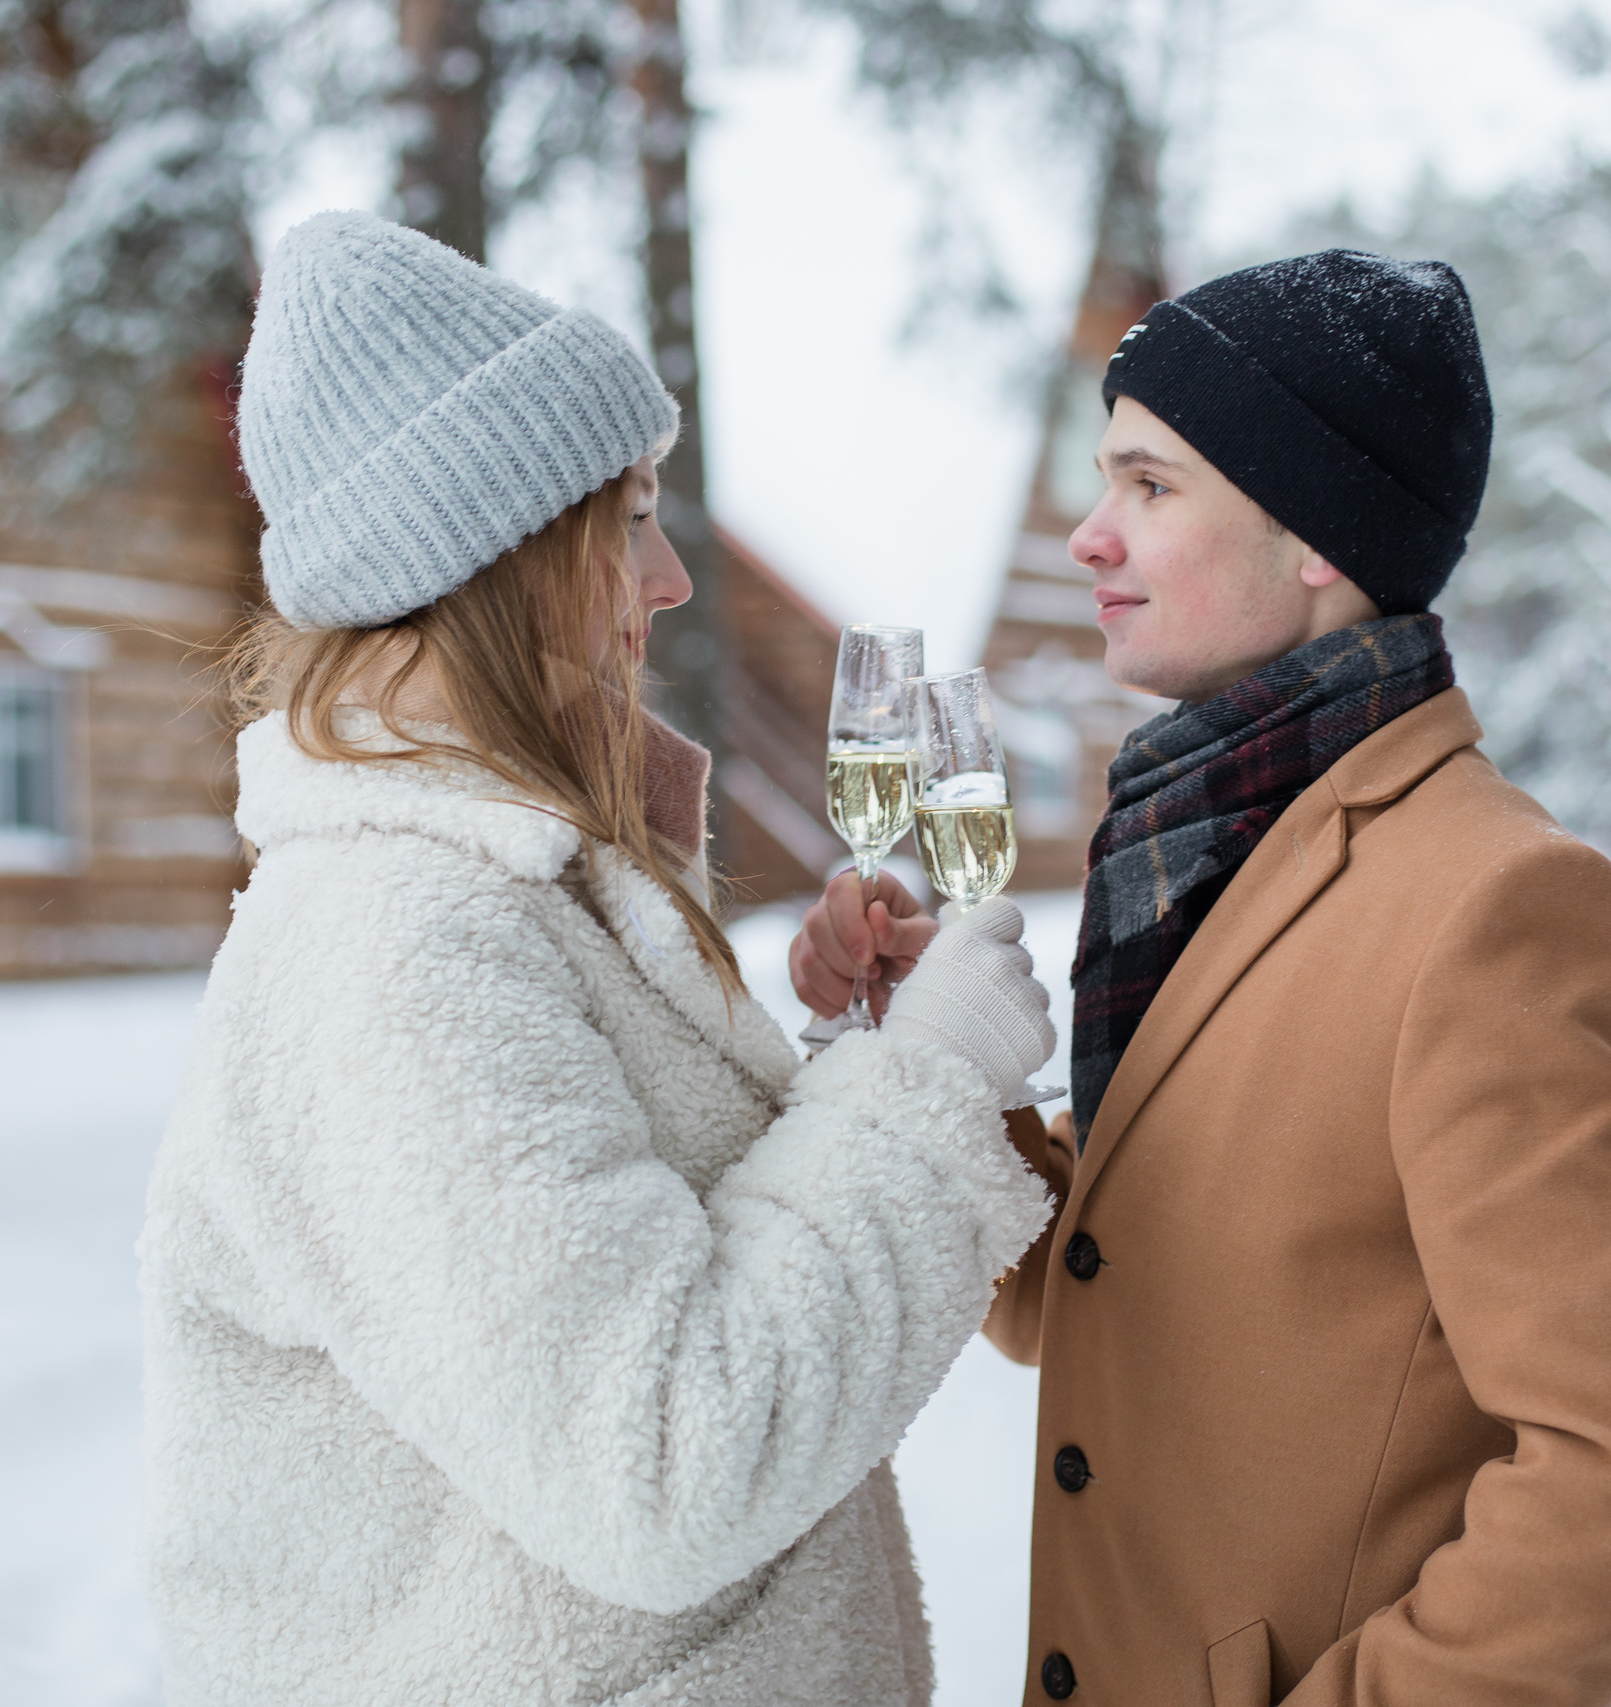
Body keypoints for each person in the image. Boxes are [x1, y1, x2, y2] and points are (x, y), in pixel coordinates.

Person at [137, 210, 1060, 1707]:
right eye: (629, 516)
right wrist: (930, 1089)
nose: (672, 576)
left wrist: (858, 1072)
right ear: (504, 553)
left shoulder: (515, 888)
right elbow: (664, 1466)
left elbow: (670, 1294)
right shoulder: (396, 946)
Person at [792, 251, 1611, 1705]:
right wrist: (924, 1061)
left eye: (1150, 487)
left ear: (1315, 533)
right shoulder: (1191, 853)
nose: (1091, 539)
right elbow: (1082, 1297)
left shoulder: (1503, 913)